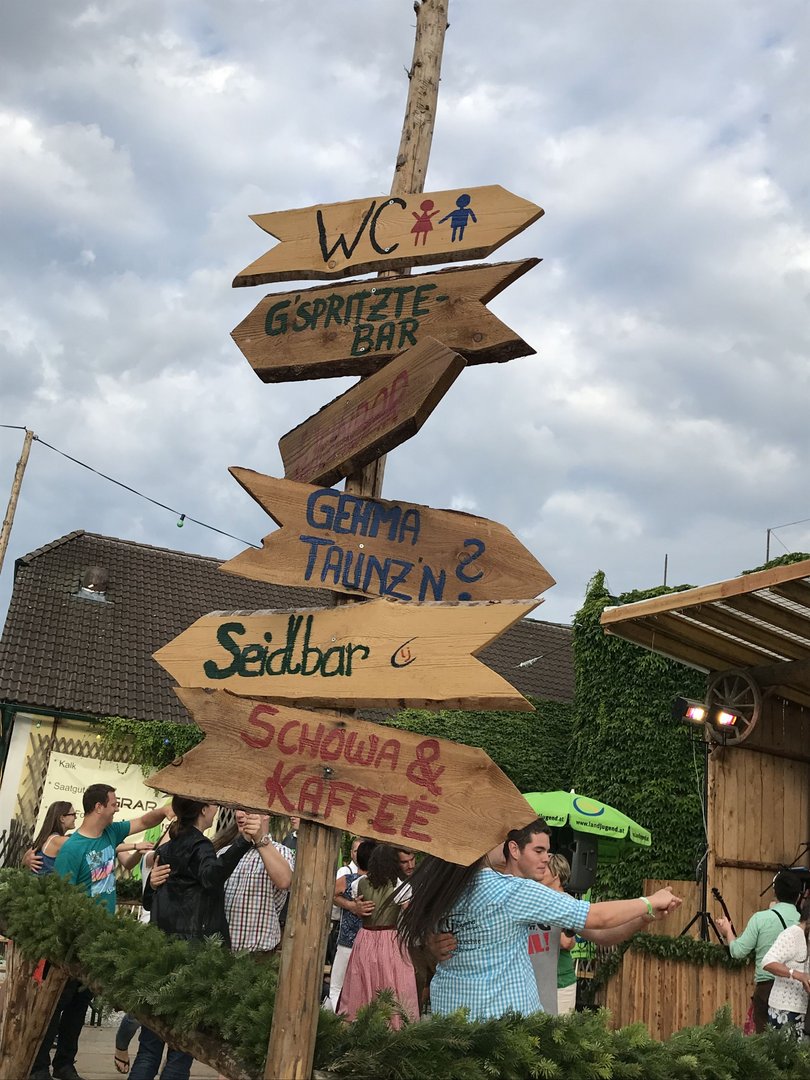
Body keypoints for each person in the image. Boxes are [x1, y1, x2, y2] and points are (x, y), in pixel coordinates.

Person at [399, 819, 680, 1022]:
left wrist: (644, 918)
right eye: (539, 851)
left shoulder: (445, 888)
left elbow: (603, 933)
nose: (548, 858)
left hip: (463, 1021)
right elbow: (597, 916)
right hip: (502, 1023)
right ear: (513, 849)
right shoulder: (511, 890)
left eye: (548, 851)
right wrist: (648, 900)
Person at [29, 786, 170, 1080]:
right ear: (98, 807)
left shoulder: (110, 833)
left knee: (79, 1006)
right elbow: (61, 897)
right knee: (56, 1005)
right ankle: (38, 1066)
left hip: (98, 939)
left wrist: (167, 810)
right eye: (114, 803)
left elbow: (144, 821)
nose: (117, 808)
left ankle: (64, 1063)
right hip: (73, 941)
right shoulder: (72, 848)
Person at [129, 797, 255, 1080]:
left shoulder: (168, 847)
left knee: (149, 1047)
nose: (216, 810)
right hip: (192, 955)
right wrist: (242, 842)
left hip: (162, 953)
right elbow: (211, 876)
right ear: (203, 810)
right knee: (181, 1048)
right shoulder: (199, 846)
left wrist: (151, 885)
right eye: (212, 805)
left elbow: (149, 901)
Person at [338, 844, 419, 1028]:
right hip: (390, 939)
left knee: (363, 978)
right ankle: (394, 1024)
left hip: (365, 937)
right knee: (392, 980)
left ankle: (361, 1020)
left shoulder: (360, 883)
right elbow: (410, 915)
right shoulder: (400, 886)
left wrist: (357, 908)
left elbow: (356, 903)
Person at [716, 870, 803, 1034]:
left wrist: (727, 931)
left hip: (766, 989)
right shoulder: (803, 922)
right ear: (799, 896)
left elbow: (738, 951)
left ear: (774, 892)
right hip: (797, 993)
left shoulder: (761, 919)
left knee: (764, 1044)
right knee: (794, 1043)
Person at [216, 810, 294, 956]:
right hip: (220, 952)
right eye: (237, 809)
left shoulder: (282, 852)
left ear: (266, 814)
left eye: (246, 810)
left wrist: (260, 839)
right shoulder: (224, 852)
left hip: (258, 955)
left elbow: (284, 881)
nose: (239, 815)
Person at [329, 839, 376, 1010]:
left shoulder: (347, 880)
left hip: (347, 942)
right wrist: (352, 906)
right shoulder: (381, 884)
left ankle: (336, 1016)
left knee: (337, 986)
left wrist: (349, 905)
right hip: (372, 945)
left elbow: (329, 893)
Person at [762, 896, 810, 1038]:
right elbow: (768, 962)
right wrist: (797, 975)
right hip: (785, 1009)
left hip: (804, 1010)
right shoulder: (792, 934)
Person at [29, 801, 77, 875]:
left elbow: (26, 857)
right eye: (73, 814)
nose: (76, 817)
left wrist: (27, 860)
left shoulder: (45, 838)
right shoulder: (59, 840)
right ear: (62, 818)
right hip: (46, 882)